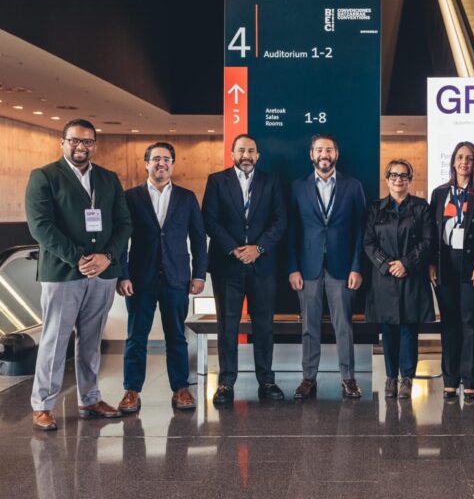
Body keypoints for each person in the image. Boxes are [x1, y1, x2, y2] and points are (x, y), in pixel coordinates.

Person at [25, 118, 132, 430]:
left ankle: (90, 397)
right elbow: (41, 226)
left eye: (87, 141)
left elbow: (124, 223)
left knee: (91, 340)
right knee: (55, 340)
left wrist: (107, 257)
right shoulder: (45, 176)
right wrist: (80, 259)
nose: (81, 146)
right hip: (62, 273)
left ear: (94, 146)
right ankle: (43, 404)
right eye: (74, 140)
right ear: (63, 142)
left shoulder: (108, 178)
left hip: (103, 273)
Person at [116, 142, 207, 413]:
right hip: (140, 279)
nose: (161, 163)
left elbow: (199, 239)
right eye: (156, 159)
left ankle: (181, 389)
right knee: (136, 337)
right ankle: (131, 390)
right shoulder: (130, 197)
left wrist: (199, 274)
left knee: (177, 336)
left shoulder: (187, 197)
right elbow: (121, 240)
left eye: (166, 159)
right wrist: (122, 275)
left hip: (176, 278)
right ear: (146, 164)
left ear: (172, 164)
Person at [202, 134, 288, 404]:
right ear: (232, 154)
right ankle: (226, 383)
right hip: (227, 264)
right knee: (227, 325)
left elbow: (280, 219)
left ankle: (267, 381)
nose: (246, 155)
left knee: (264, 325)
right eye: (241, 150)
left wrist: (258, 248)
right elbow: (210, 220)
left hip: (262, 264)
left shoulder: (271, 181)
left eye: (251, 150)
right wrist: (235, 248)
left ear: (258, 155)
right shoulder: (216, 181)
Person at [287, 133, 367, 399]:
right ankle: (308, 378)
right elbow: (292, 231)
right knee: (309, 326)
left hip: (342, 267)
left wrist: (357, 267)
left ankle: (349, 379)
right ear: (311, 154)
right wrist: (293, 268)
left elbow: (360, 230)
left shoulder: (353, 186)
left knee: (343, 325)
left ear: (336, 155)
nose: (324, 154)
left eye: (329, 150)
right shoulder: (297, 187)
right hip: (307, 268)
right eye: (319, 150)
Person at [429, 141, 474, 400]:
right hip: (445, 264)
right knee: (449, 323)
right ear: (453, 161)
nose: (464, 162)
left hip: (473, 266)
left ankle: (470, 381)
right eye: (460, 157)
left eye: (469, 158)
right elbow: (432, 232)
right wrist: (431, 263)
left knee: (470, 322)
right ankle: (450, 379)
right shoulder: (439, 193)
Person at [364, 160, 435, 399]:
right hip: (384, 278)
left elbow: (427, 241)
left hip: (411, 276)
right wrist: (386, 264)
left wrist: (406, 263)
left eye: (404, 176)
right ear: (387, 179)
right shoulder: (376, 208)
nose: (398, 179)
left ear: (410, 180)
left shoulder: (421, 207)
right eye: (394, 175)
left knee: (408, 328)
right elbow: (368, 242)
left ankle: (407, 378)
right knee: (388, 329)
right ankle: (390, 377)